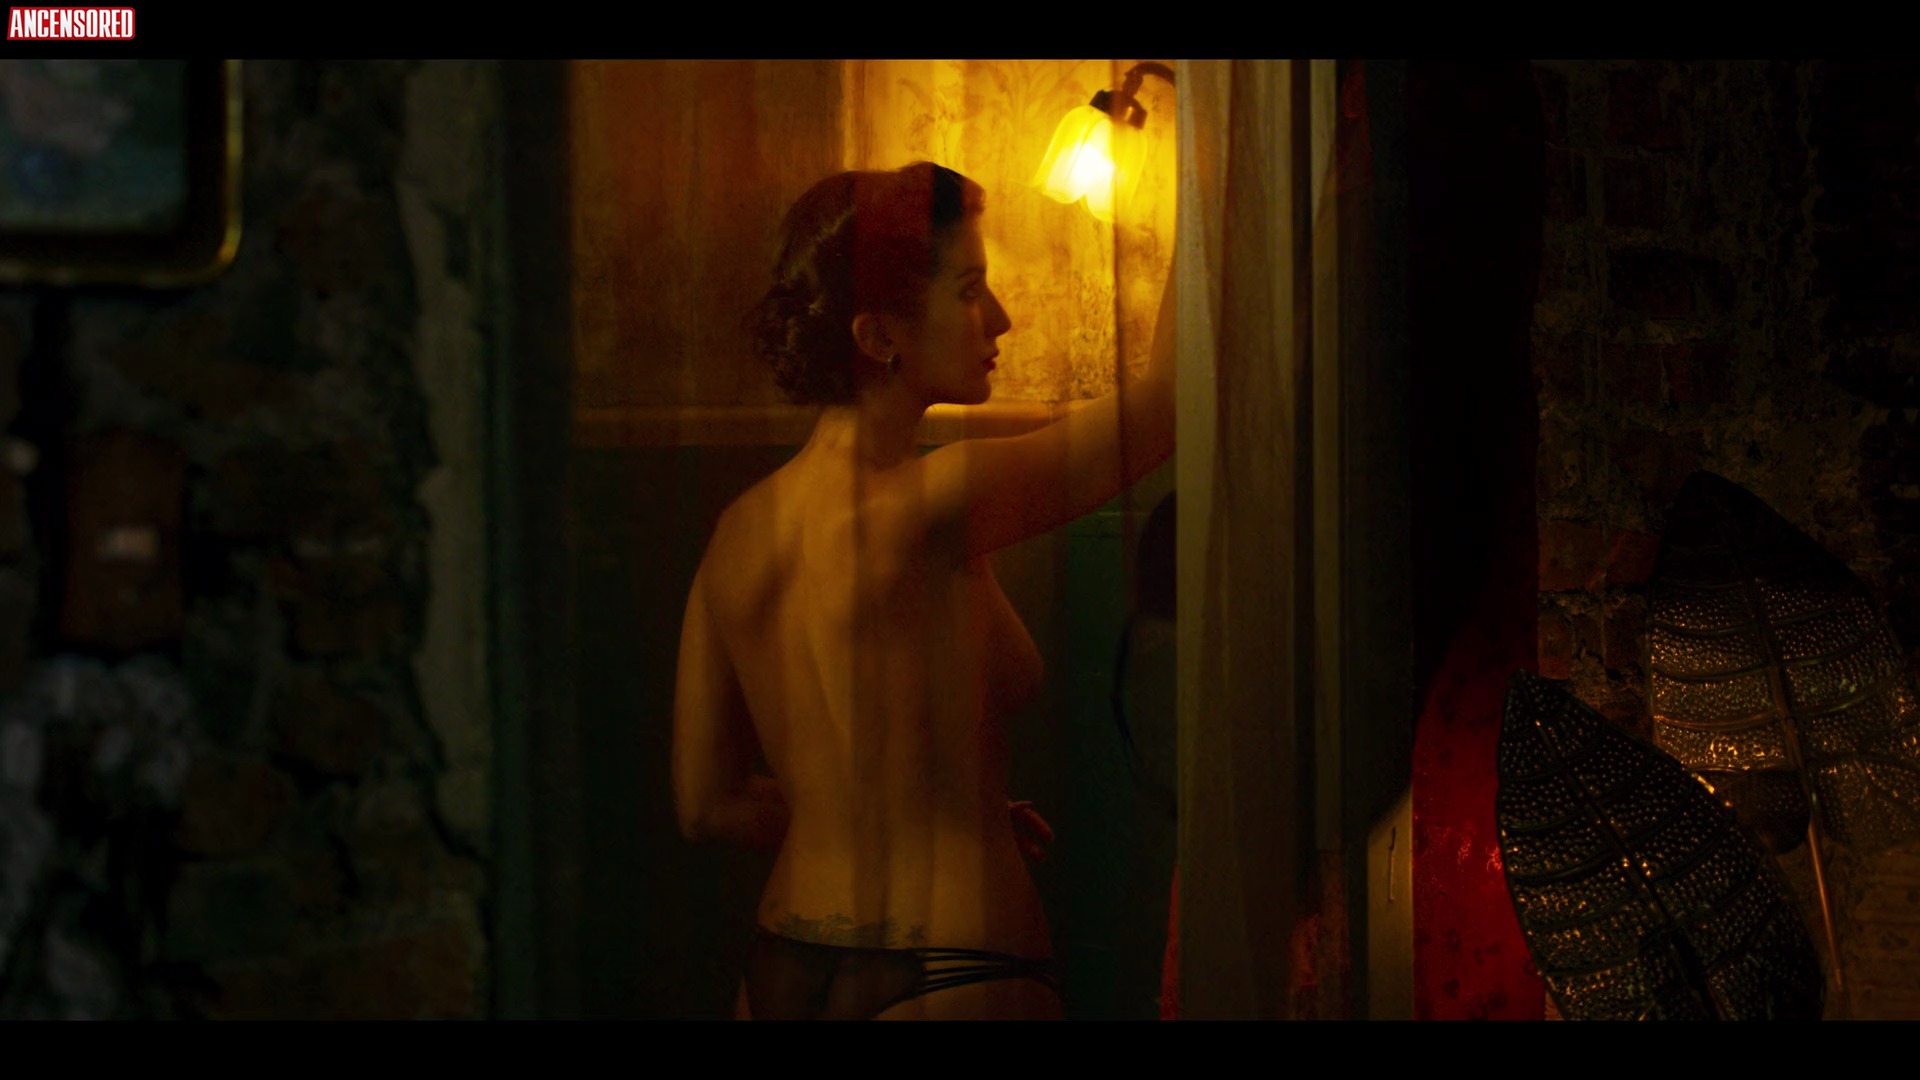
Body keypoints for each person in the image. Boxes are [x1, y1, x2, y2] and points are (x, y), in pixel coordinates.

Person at [672, 162, 1175, 1020]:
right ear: (878, 337)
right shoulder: (935, 503)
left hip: (783, 966)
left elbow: (706, 806)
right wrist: (1209, 169)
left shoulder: (737, 536)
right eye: (971, 291)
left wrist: (900, 801)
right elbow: (1164, 407)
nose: (1001, 318)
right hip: (954, 958)